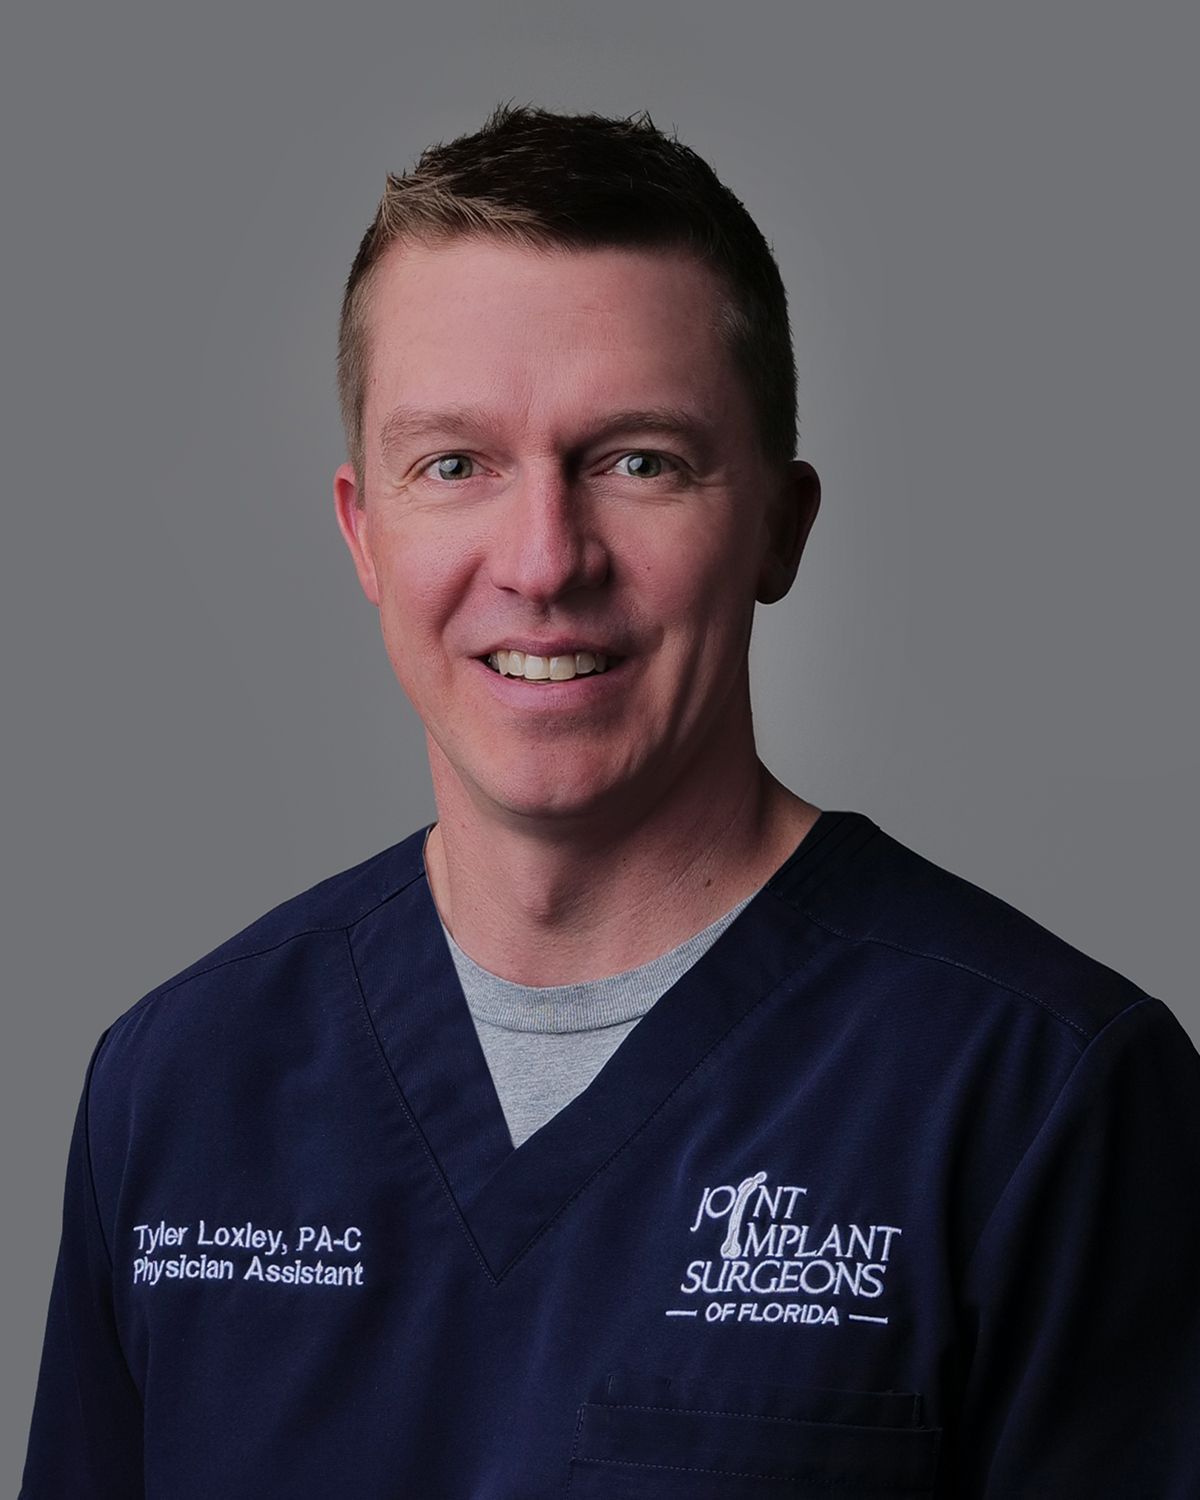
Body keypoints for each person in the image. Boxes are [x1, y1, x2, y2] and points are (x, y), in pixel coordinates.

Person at [20, 103, 1200, 1499]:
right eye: (454, 464)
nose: (543, 559)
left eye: (639, 460)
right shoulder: (178, 1087)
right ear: (364, 532)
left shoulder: (1040, 1097)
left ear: (780, 523)